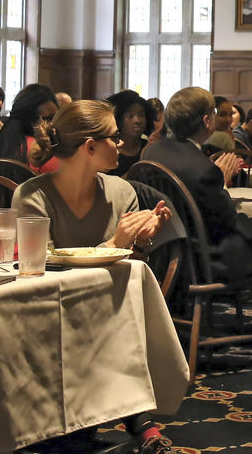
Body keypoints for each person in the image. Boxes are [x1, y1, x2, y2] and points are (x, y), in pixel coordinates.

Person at [11, 100, 174, 454]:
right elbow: (41, 267)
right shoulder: (33, 196)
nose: (120, 144)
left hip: (108, 308)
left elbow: (130, 263)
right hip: (47, 313)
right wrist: (116, 242)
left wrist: (145, 237)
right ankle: (138, 421)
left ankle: (134, 419)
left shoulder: (121, 192)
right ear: (89, 147)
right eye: (114, 138)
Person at [143, 87, 252, 282]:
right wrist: (221, 180)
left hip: (161, 254)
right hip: (203, 260)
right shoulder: (203, 169)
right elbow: (227, 221)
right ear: (207, 121)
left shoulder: (152, 152)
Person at [0, 83, 59, 172]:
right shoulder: (42, 150)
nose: (54, 123)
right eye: (47, 119)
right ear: (30, 119)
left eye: (56, 117)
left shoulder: (2, 144)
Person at [105, 89, 156, 177]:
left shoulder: (149, 148)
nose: (137, 121)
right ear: (118, 119)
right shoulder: (109, 150)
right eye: (130, 116)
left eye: (141, 115)